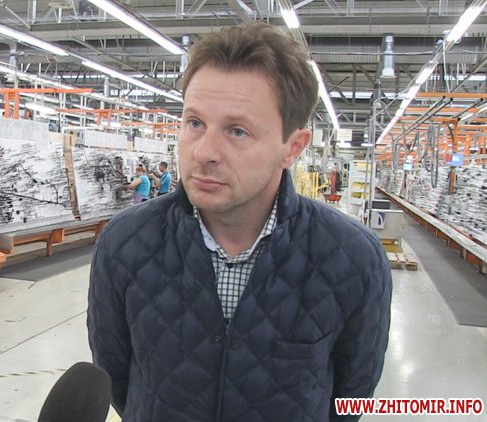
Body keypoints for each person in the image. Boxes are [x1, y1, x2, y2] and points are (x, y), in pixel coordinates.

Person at [88, 22, 392, 421]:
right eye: (195, 123)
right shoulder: (124, 243)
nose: (204, 152)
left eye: (237, 131)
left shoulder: (353, 259)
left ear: (292, 147)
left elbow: (351, 394)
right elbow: (117, 377)